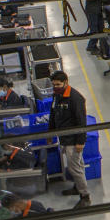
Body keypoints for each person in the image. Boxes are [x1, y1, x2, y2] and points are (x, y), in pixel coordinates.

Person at [48, 71, 90, 208]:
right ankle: (77, 187)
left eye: (58, 84)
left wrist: (80, 141)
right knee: (78, 165)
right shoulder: (57, 95)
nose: (56, 87)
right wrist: (50, 133)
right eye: (54, 85)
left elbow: (81, 121)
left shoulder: (75, 98)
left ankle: (85, 196)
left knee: (74, 169)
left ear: (66, 82)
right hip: (64, 138)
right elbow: (53, 114)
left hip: (73, 140)